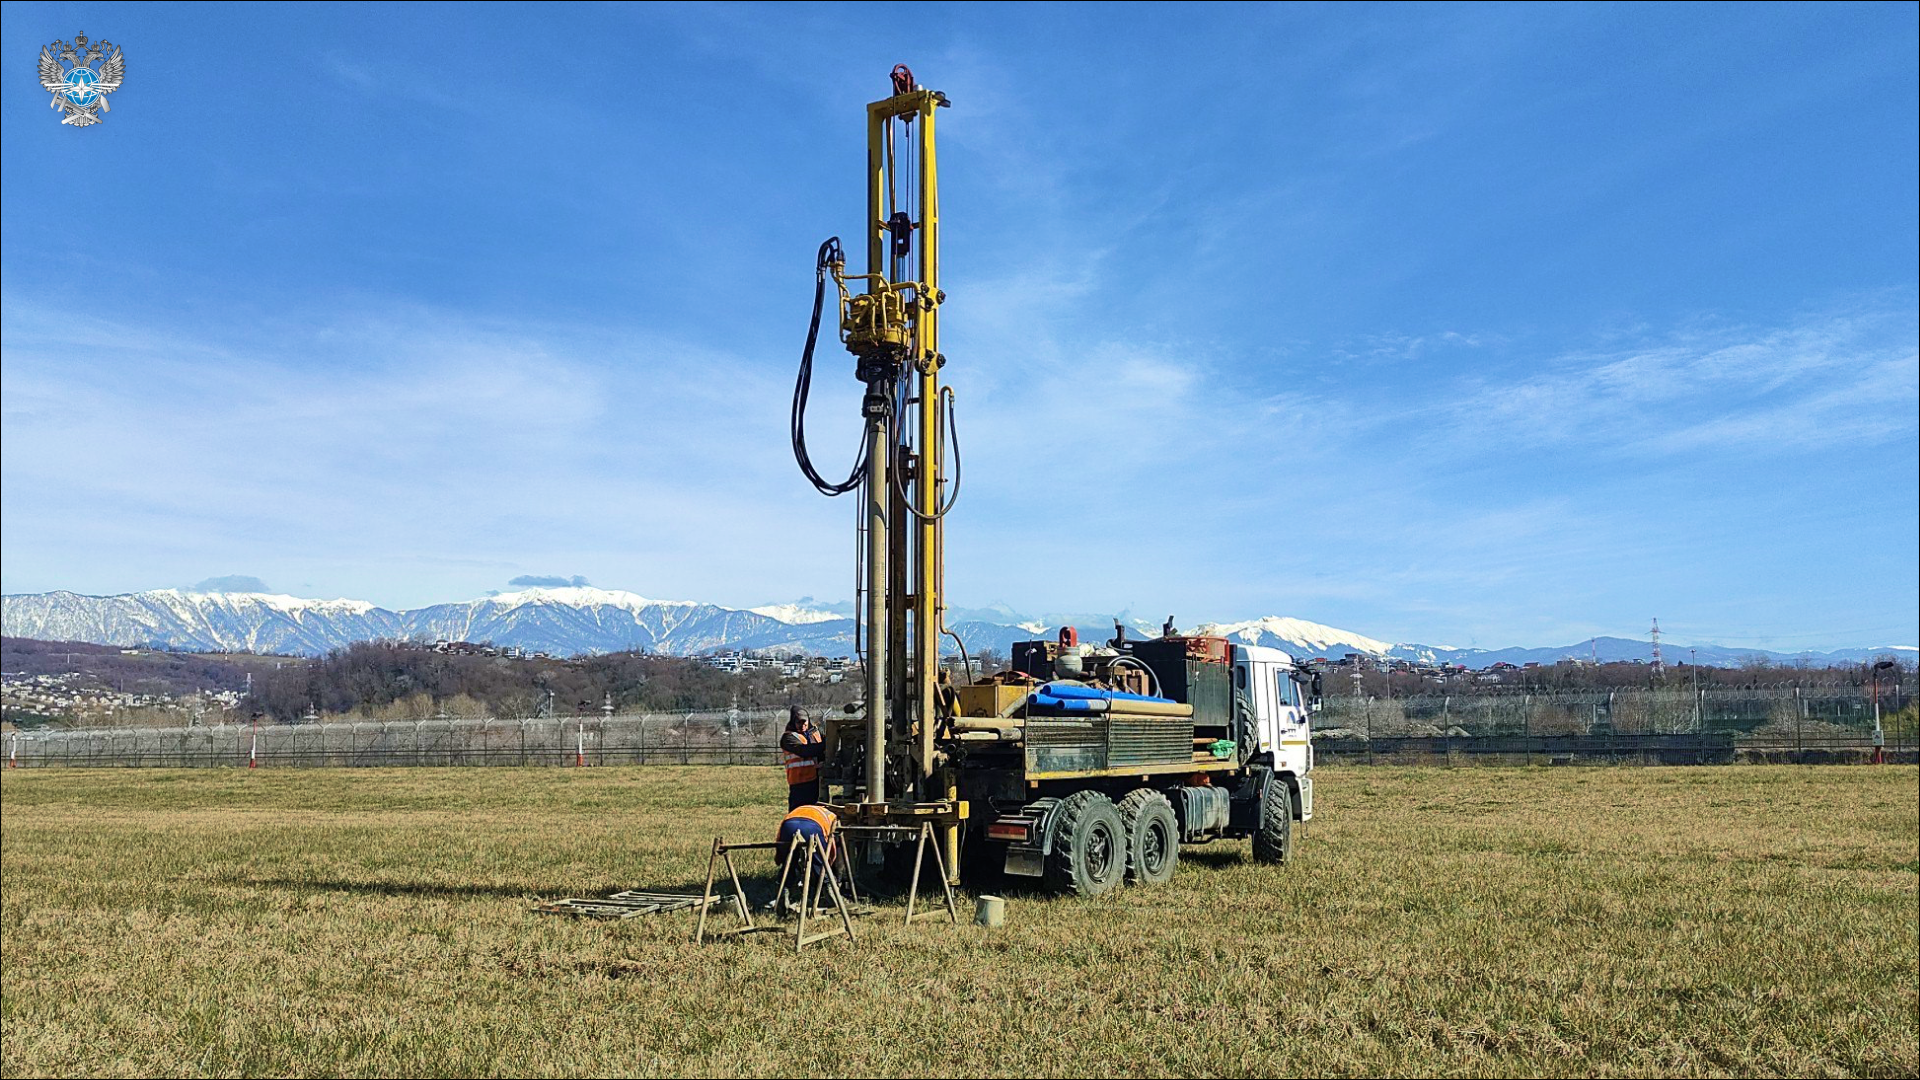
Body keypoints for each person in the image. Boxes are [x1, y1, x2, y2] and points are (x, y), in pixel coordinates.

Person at [780, 706, 824, 810]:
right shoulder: (788, 738)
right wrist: (826, 744)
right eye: (799, 722)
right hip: (799, 783)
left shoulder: (815, 733)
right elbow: (805, 751)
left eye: (805, 722)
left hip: (815, 781)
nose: (802, 725)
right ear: (793, 722)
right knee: (798, 812)